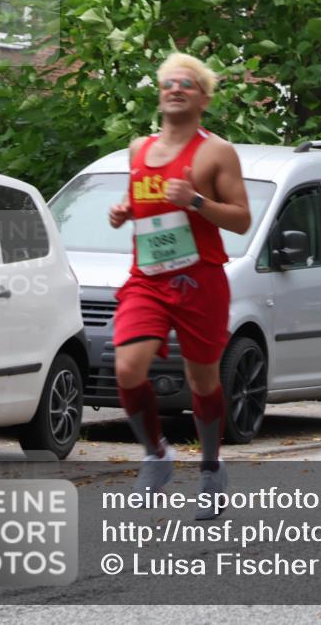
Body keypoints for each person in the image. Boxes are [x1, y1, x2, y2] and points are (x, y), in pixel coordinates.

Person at [108, 52, 251, 520]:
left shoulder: (216, 152)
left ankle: (211, 468)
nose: (175, 89)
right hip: (147, 278)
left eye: (186, 83)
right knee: (129, 367)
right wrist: (124, 211)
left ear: (203, 98)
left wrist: (196, 200)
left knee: (202, 380)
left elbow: (241, 219)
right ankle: (157, 455)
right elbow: (142, 201)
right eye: (168, 82)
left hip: (200, 279)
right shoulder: (137, 149)